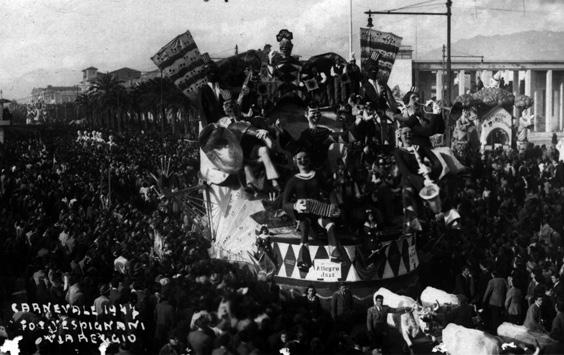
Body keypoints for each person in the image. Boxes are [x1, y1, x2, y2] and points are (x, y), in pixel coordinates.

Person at [282, 149, 342, 261]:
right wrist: (295, 206)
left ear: (309, 160)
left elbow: (330, 191)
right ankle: (303, 259)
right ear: (295, 161)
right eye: (299, 159)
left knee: (330, 225)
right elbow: (284, 204)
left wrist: (334, 204)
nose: (303, 161)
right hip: (304, 216)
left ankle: (334, 253)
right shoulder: (293, 181)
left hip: (319, 214)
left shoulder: (317, 175)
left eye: (305, 158)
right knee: (304, 226)